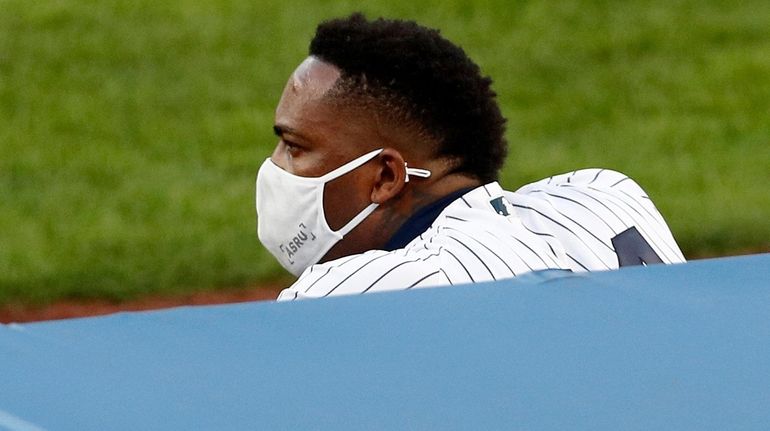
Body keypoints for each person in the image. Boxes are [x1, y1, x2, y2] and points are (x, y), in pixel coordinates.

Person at [255, 13, 685, 301]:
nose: (276, 168)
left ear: (386, 176)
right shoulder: (604, 198)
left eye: (295, 147)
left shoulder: (353, 296)